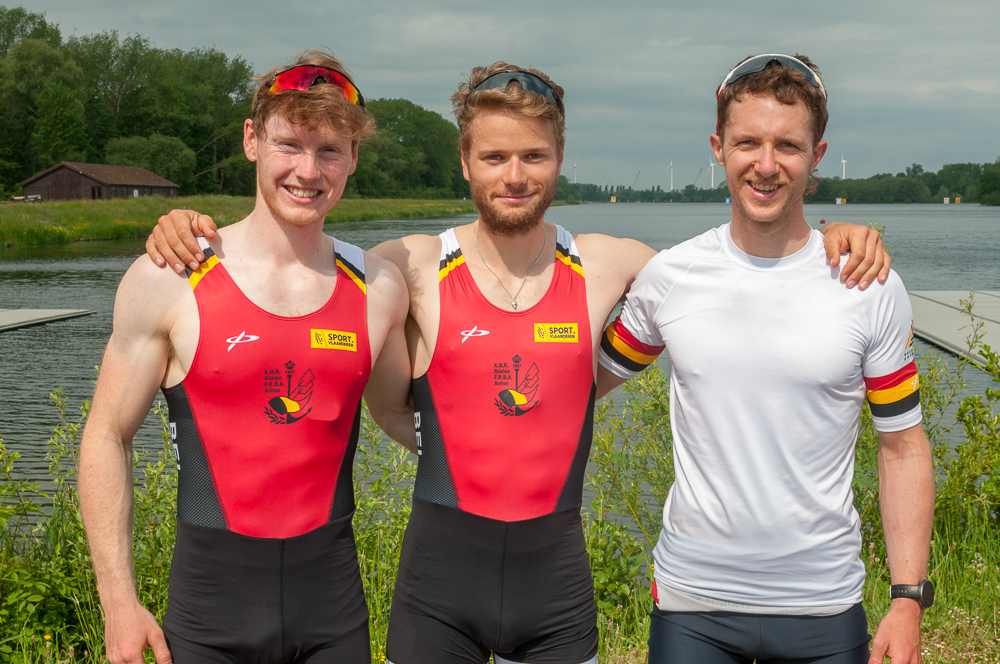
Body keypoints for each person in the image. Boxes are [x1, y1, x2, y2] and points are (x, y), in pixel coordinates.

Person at [145, 62, 891, 664]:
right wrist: (186, 228)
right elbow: (299, 269)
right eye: (495, 157)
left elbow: (728, 264)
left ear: (559, 160)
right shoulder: (405, 265)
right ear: (466, 162)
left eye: (534, 156)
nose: (515, 175)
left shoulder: (608, 264)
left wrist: (831, 233)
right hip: (437, 590)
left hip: (555, 591)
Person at [597, 54, 934, 664]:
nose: (767, 164)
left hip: (823, 608)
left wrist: (907, 599)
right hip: (692, 606)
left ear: (817, 155)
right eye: (748, 142)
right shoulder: (670, 276)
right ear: (718, 148)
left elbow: (902, 447)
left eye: (789, 146)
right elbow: (578, 384)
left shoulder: (868, 285)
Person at [79, 49, 412, 664]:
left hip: (334, 614)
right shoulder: (171, 275)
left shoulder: (380, 287)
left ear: (353, 158)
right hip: (210, 616)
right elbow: (106, 435)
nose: (308, 171)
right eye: (289, 144)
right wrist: (118, 602)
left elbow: (400, 414)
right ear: (252, 140)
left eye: (330, 150)